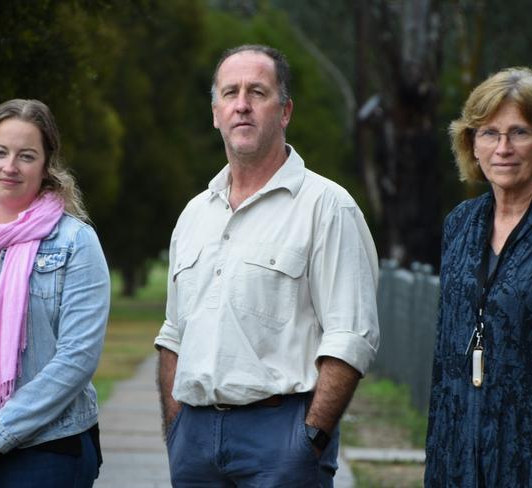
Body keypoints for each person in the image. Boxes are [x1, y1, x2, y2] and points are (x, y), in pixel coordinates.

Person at [154, 44, 380, 487]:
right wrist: (176, 429)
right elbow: (173, 334)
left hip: (282, 440)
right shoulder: (194, 215)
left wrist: (310, 437)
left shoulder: (327, 207)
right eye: (230, 93)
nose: (242, 105)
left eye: (257, 92)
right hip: (194, 444)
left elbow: (351, 336)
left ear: (285, 111)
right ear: (215, 112)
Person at [425, 67, 532, 487]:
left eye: (519, 132)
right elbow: (445, 357)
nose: (503, 148)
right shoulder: (459, 224)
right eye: (488, 133)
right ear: (471, 145)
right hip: (460, 452)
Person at [0, 99, 110, 487]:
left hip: (43, 452)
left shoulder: (76, 243)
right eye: (0, 152)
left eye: (26, 155)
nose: (10, 166)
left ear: (47, 166)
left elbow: (77, 358)